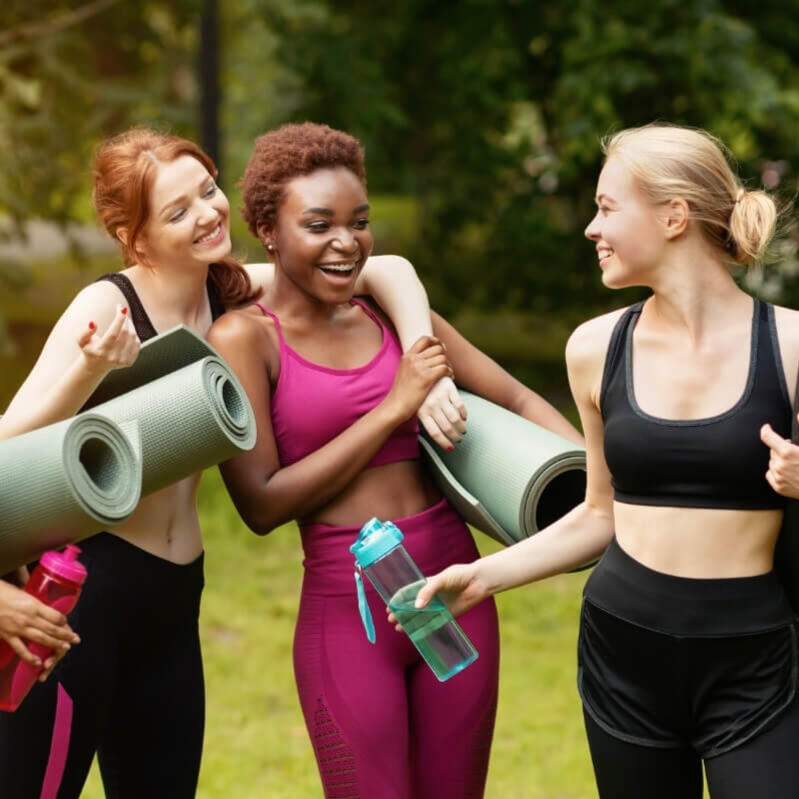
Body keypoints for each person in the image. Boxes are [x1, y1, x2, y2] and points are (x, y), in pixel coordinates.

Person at [0, 127, 453, 798]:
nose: (209, 213)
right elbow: (8, 444)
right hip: (84, 596)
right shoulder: (108, 305)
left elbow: (387, 270)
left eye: (208, 190)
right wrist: (88, 369)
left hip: (176, 597)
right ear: (135, 235)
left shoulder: (232, 291)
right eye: (178, 210)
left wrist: (428, 369)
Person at [410, 123, 799, 798]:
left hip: (753, 657)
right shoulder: (594, 348)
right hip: (624, 653)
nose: (590, 228)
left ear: (673, 215)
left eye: (606, 207)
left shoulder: (790, 345)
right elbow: (598, 513)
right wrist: (479, 576)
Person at [207, 121, 583, 799]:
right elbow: (259, 503)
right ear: (267, 228)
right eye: (318, 224)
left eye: (359, 221)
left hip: (452, 585)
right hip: (346, 605)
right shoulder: (244, 338)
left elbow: (519, 396)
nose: (345, 241)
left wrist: (591, 486)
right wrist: (391, 407)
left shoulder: (392, 316)